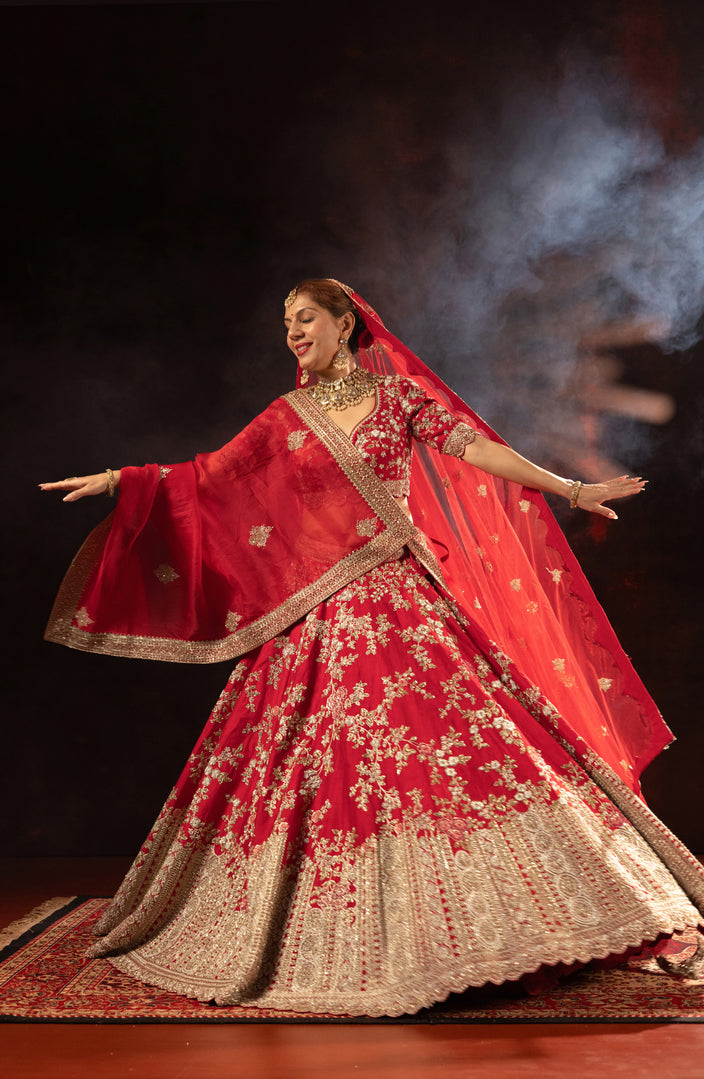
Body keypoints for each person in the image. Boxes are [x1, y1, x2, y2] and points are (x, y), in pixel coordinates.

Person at [40, 279, 704, 1018]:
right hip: (316, 615)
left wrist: (571, 488)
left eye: (304, 318)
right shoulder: (286, 418)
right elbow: (213, 478)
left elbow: (477, 447)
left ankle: (518, 921)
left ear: (343, 322)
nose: (292, 332)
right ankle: (342, 930)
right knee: (323, 763)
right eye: (285, 322)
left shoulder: (399, 398)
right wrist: (118, 481)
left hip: (405, 601)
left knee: (466, 747)